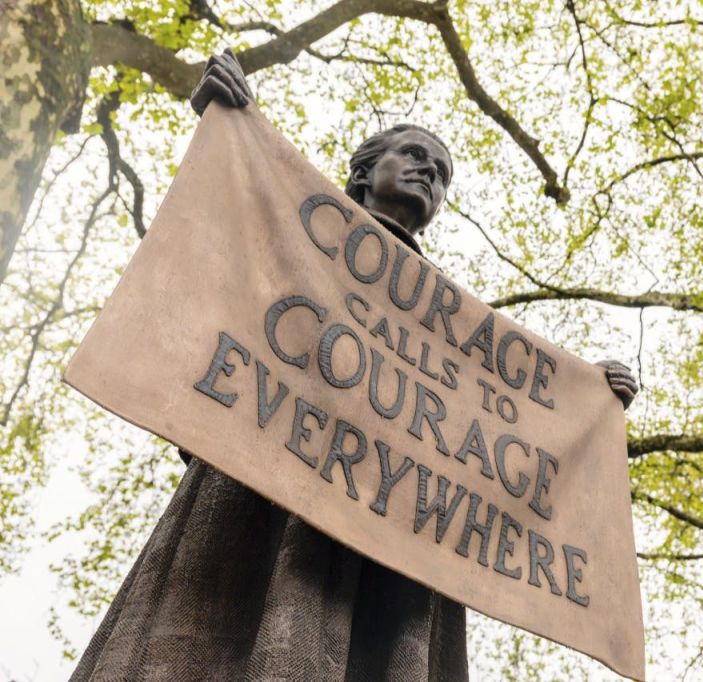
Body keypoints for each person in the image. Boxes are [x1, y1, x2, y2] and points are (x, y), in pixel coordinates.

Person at [71, 50, 640, 681]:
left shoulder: (456, 327)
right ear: (365, 170)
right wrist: (226, 119)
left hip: (401, 545)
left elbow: (495, 445)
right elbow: (212, 294)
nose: (431, 173)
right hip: (266, 491)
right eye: (416, 155)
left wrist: (585, 400)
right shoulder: (286, 231)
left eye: (443, 174)